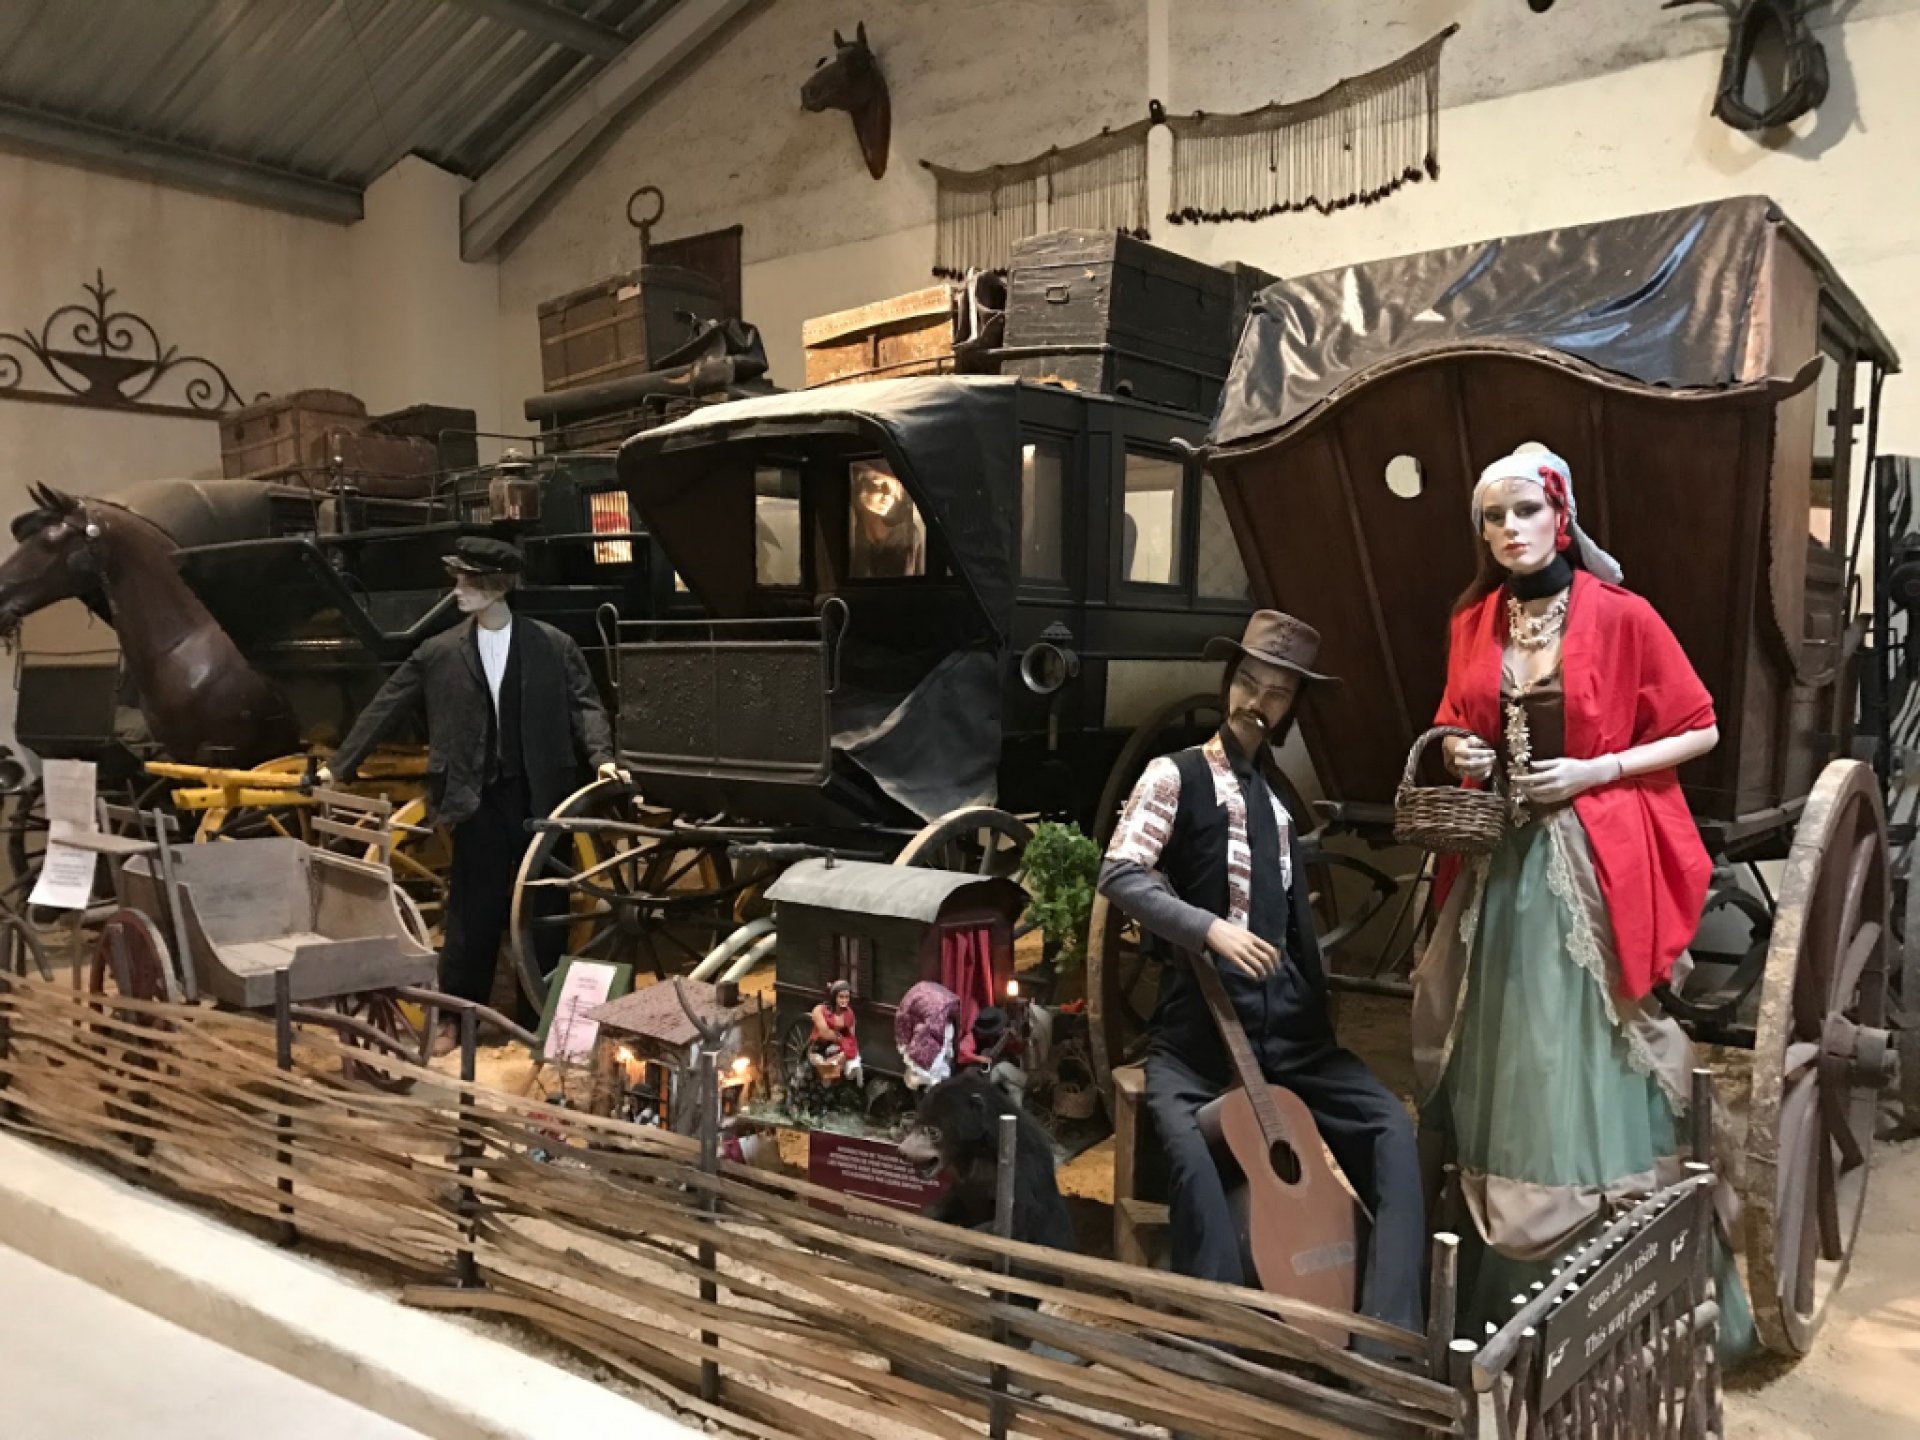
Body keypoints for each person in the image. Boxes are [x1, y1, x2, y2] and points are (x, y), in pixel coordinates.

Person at [1414, 443, 1755, 1353]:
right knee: (1509, 1052)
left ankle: (1618, 1297)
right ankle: (1506, 1307)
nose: (1509, 530)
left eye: (1525, 510)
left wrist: (1597, 769)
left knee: (1581, 1050)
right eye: (1493, 517)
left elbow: (1699, 726)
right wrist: (1459, 748)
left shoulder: (1620, 613)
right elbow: (1453, 716)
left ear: (1560, 515)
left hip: (1589, 861)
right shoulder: (1475, 620)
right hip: (1501, 865)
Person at [1099, 611, 1425, 1344]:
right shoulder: (1175, 775)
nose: (1257, 701)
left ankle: (1389, 1335)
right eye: (1248, 682)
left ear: (1292, 707)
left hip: (1294, 1033)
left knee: (1388, 1128)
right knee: (1193, 1165)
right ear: (1228, 682)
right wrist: (1209, 929)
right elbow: (1120, 872)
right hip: (1202, 1029)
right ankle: (1217, 1341)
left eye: (1277, 693)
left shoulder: (1277, 807)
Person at [319, 537, 621, 1049]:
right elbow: (387, 704)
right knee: (470, 913)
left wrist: (602, 757)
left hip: (542, 795)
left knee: (545, 909)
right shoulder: (438, 652)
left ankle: (538, 1017)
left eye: (467, 581)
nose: (456, 590)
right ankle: (457, 1019)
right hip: (473, 797)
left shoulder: (553, 645)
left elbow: (585, 705)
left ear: (496, 587)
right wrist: (338, 766)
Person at [808, 979, 863, 1085]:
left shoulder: (849, 1014)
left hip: (837, 1047)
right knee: (824, 1069)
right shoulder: (819, 1010)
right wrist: (841, 1039)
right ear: (834, 997)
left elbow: (851, 1036)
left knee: (847, 1063)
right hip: (819, 1047)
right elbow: (825, 1033)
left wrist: (845, 1051)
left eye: (847, 997)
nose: (844, 1000)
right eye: (841, 997)